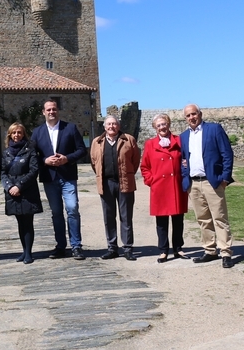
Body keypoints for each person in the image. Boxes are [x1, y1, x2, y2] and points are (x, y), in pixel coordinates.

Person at [30, 100, 87, 260]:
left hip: (67, 176)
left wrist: (67, 158)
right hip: (49, 177)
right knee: (56, 213)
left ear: (58, 111)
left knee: (72, 208)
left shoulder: (70, 128)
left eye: (54, 109)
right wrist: (44, 161)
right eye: (48, 109)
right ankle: (61, 246)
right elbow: (32, 156)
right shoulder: (37, 132)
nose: (51, 112)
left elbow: (82, 150)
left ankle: (76, 246)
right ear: (43, 112)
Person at [180, 104, 235, 268]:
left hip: (213, 182)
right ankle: (210, 250)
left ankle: (225, 252)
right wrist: (186, 181)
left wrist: (225, 178)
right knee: (203, 219)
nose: (192, 118)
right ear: (185, 118)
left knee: (220, 218)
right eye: (188, 115)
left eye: (194, 114)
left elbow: (227, 154)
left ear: (200, 114)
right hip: (194, 183)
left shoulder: (214, 129)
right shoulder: (183, 137)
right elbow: (183, 160)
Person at [90, 116, 141, 261]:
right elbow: (94, 162)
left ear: (118, 125)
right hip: (106, 184)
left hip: (125, 182)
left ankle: (128, 248)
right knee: (108, 217)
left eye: (114, 123)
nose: (111, 126)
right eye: (109, 124)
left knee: (126, 216)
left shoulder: (129, 139)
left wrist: (128, 174)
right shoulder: (96, 142)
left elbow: (135, 160)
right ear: (104, 126)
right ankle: (112, 248)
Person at [139, 113, 188, 263]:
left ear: (169, 124)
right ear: (155, 127)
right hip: (159, 187)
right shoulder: (150, 144)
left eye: (164, 124)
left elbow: (186, 158)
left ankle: (178, 248)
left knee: (178, 219)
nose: (162, 127)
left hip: (176, 185)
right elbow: (144, 166)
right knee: (161, 221)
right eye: (159, 125)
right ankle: (163, 250)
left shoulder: (179, 141)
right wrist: (151, 180)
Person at [0, 122, 43, 264]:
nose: (17, 135)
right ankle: (23, 251)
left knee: (28, 222)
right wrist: (9, 186)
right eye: (14, 133)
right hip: (12, 192)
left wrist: (19, 185)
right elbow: (3, 172)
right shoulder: (6, 153)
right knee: (20, 222)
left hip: (27, 191)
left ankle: (29, 253)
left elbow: (33, 171)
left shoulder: (30, 151)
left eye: (19, 132)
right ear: (9, 135)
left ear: (23, 134)